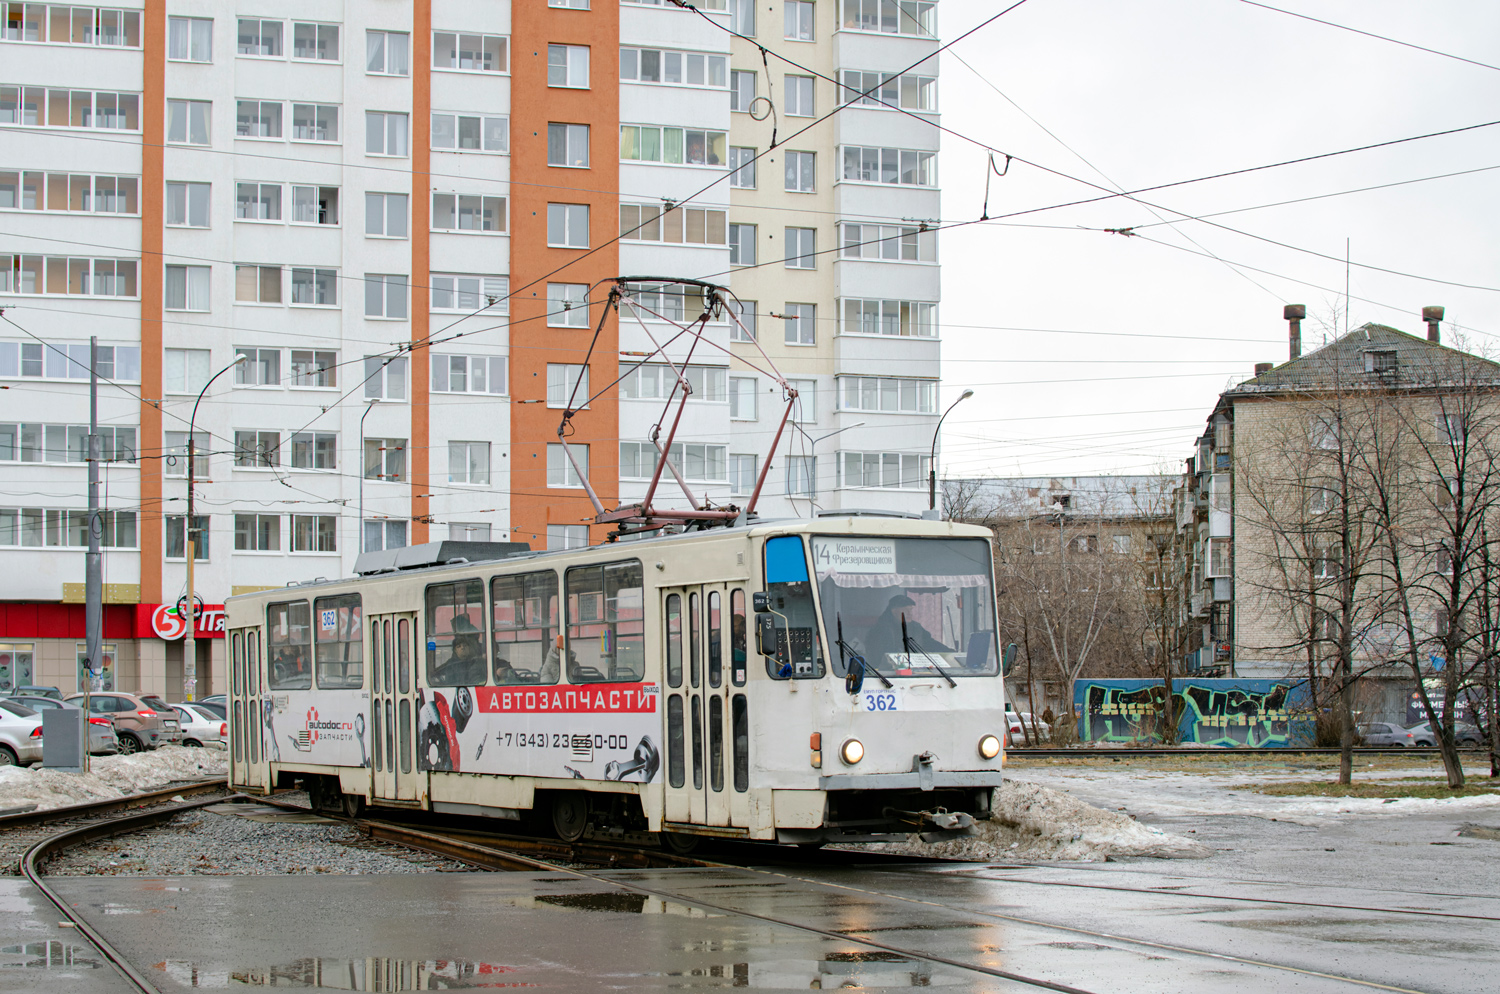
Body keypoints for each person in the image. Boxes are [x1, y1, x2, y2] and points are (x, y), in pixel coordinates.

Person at [866, 594, 950, 662]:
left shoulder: (916, 628)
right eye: (906, 610)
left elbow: (930, 643)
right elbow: (877, 657)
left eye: (911, 610)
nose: (910, 613)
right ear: (894, 611)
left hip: (915, 670)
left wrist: (950, 653)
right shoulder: (880, 630)